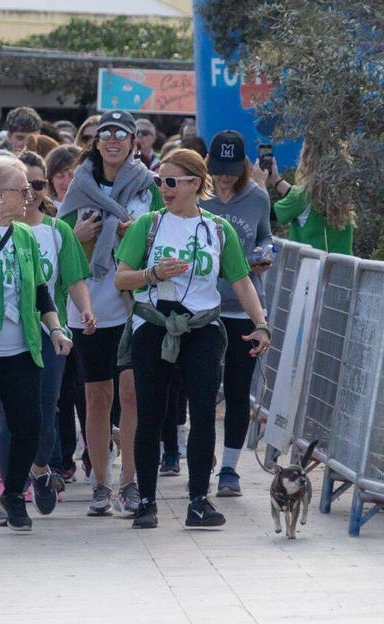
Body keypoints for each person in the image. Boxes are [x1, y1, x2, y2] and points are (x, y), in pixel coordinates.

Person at [114, 148, 270, 530]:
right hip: (153, 325)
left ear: (195, 184)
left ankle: (198, 501)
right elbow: (122, 278)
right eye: (159, 181)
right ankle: (146, 501)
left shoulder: (218, 228)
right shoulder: (147, 225)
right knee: (151, 413)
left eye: (171, 182)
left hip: (202, 328)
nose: (163, 189)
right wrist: (154, 274)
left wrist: (261, 323)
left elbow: (240, 279)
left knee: (203, 413)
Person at [0, 156, 73, 536]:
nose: (29, 197)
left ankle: (12, 494)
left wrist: (54, 329)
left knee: (29, 424)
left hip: (21, 348)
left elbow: (41, 290)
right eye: (22, 190)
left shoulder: (24, 235)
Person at [58, 109, 163, 517]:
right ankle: (100, 481)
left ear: (135, 142)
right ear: (96, 142)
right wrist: (78, 234)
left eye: (122, 134)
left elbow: (163, 230)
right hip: (90, 304)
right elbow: (59, 239)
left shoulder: (148, 185)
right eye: (106, 134)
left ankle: (130, 482)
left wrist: (136, 232)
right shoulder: (80, 185)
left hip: (134, 303)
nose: (114, 140)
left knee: (133, 395)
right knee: (96, 395)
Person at [4, 151, 95, 511]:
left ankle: (40, 469)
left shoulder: (58, 232)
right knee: (9, 417)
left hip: (48, 333)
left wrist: (86, 310)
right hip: (6, 333)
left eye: (38, 185)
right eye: (22, 186)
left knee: (44, 412)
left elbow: (74, 279)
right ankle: (12, 495)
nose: (31, 193)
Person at [202, 131, 273, 496]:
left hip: (242, 307)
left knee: (237, 387)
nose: (225, 177)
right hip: (203, 307)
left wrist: (264, 253)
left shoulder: (257, 198)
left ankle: (229, 468)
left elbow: (265, 235)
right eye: (219, 169)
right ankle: (197, 455)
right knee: (199, 387)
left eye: (231, 170)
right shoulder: (200, 201)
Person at [268, 140, 354, 255]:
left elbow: (266, 214)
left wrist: (258, 182)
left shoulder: (302, 196)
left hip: (309, 269)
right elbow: (297, 199)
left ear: (307, 158)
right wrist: (276, 180)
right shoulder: (344, 195)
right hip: (341, 270)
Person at [45, 144, 82, 208]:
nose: (67, 183)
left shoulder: (94, 209)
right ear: (51, 179)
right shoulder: (43, 210)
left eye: (73, 176)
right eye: (60, 176)